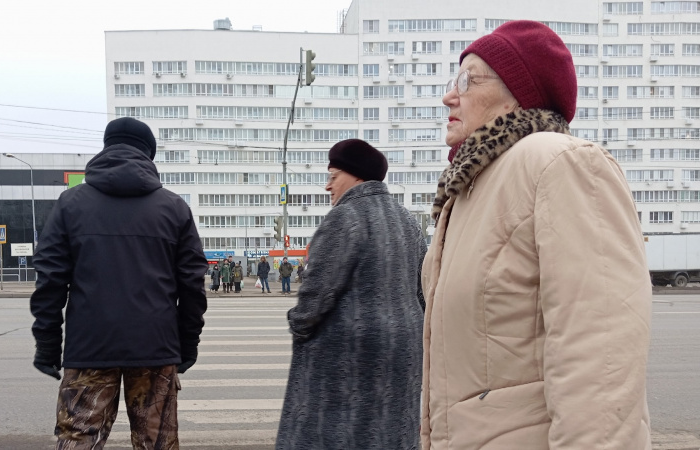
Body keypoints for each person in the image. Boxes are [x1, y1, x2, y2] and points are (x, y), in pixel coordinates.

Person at [421, 21, 651, 450]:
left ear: (518, 94)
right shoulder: (469, 190)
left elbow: (600, 352)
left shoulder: (557, 162)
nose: (449, 95)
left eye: (469, 79)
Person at [30, 117, 208, 449]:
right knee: (156, 443)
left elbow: (50, 280)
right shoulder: (173, 208)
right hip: (155, 346)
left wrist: (48, 344)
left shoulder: (71, 204)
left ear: (105, 148)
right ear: (148, 156)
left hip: (90, 347)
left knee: (78, 441)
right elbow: (192, 285)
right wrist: (188, 344)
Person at [276, 139, 426, 450]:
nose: (327, 186)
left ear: (355, 175)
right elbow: (424, 289)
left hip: (347, 360)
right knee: (389, 435)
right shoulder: (408, 221)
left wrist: (298, 324)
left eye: (333, 176)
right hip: (403, 351)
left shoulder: (346, 216)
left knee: (336, 435)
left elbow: (316, 294)